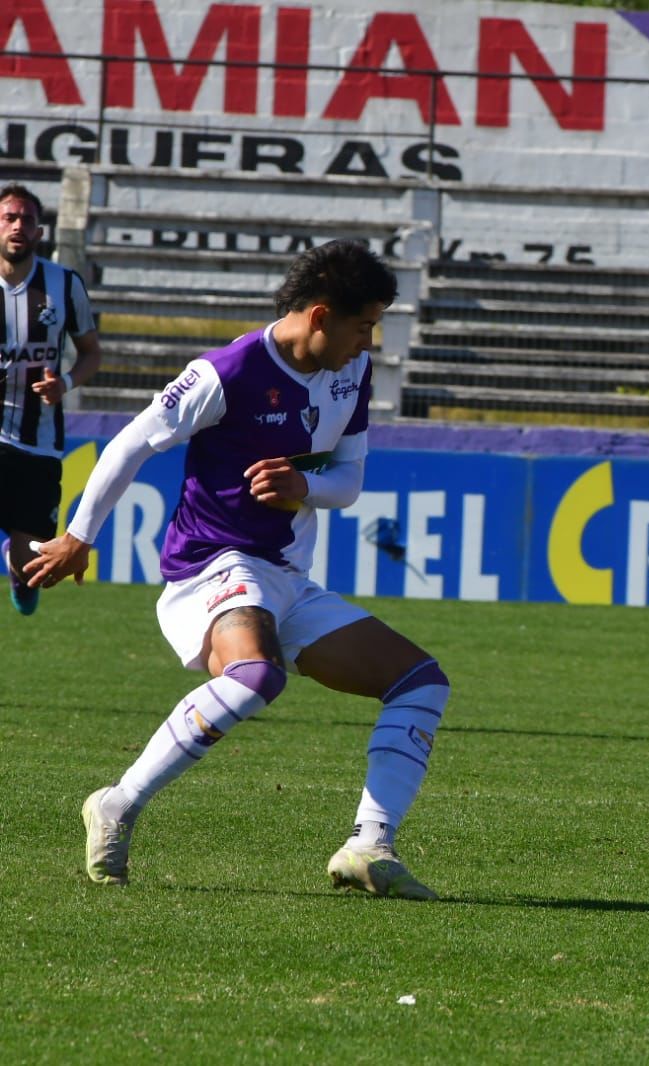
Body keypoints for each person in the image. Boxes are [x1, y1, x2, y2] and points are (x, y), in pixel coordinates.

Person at [26, 239, 447, 900]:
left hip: (283, 573)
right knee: (255, 675)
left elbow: (349, 479)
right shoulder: (229, 371)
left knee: (420, 681)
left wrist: (301, 490)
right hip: (212, 566)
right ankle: (118, 802)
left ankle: (369, 844)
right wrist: (79, 536)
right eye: (363, 325)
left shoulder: (349, 373)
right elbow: (133, 442)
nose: (371, 342)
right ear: (318, 315)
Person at [0, 182, 102, 616]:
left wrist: (65, 382)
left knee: (34, 568)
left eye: (27, 219)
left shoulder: (64, 284)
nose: (18, 226)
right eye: (9, 217)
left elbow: (92, 354)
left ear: (40, 232)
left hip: (37, 440)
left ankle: (14, 564)